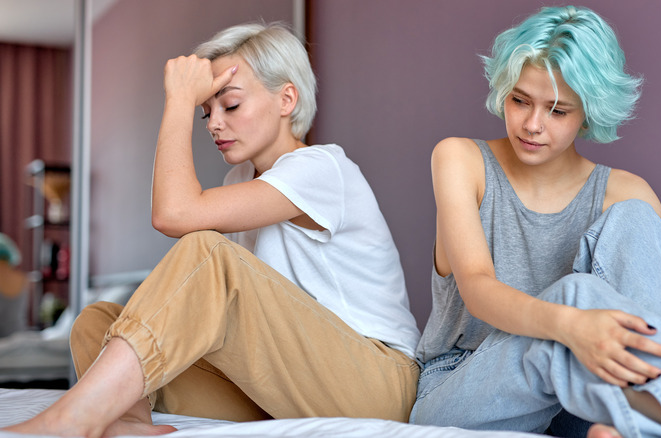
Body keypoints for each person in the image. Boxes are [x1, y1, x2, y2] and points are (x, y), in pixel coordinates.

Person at [3, 21, 420, 438]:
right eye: (206, 111)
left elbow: (175, 214)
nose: (213, 124)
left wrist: (180, 101)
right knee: (97, 321)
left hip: (375, 383)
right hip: (288, 387)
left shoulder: (322, 168)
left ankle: (74, 417)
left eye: (231, 106)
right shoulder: (241, 180)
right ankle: (129, 424)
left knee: (207, 251)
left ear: (286, 99)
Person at [409, 6, 661, 438]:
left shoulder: (623, 189)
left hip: (588, 394)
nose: (532, 125)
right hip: (466, 384)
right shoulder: (460, 159)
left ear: (589, 111)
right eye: (519, 101)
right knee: (573, 300)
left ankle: (634, 424)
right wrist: (571, 323)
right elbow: (477, 287)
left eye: (558, 111)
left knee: (637, 218)